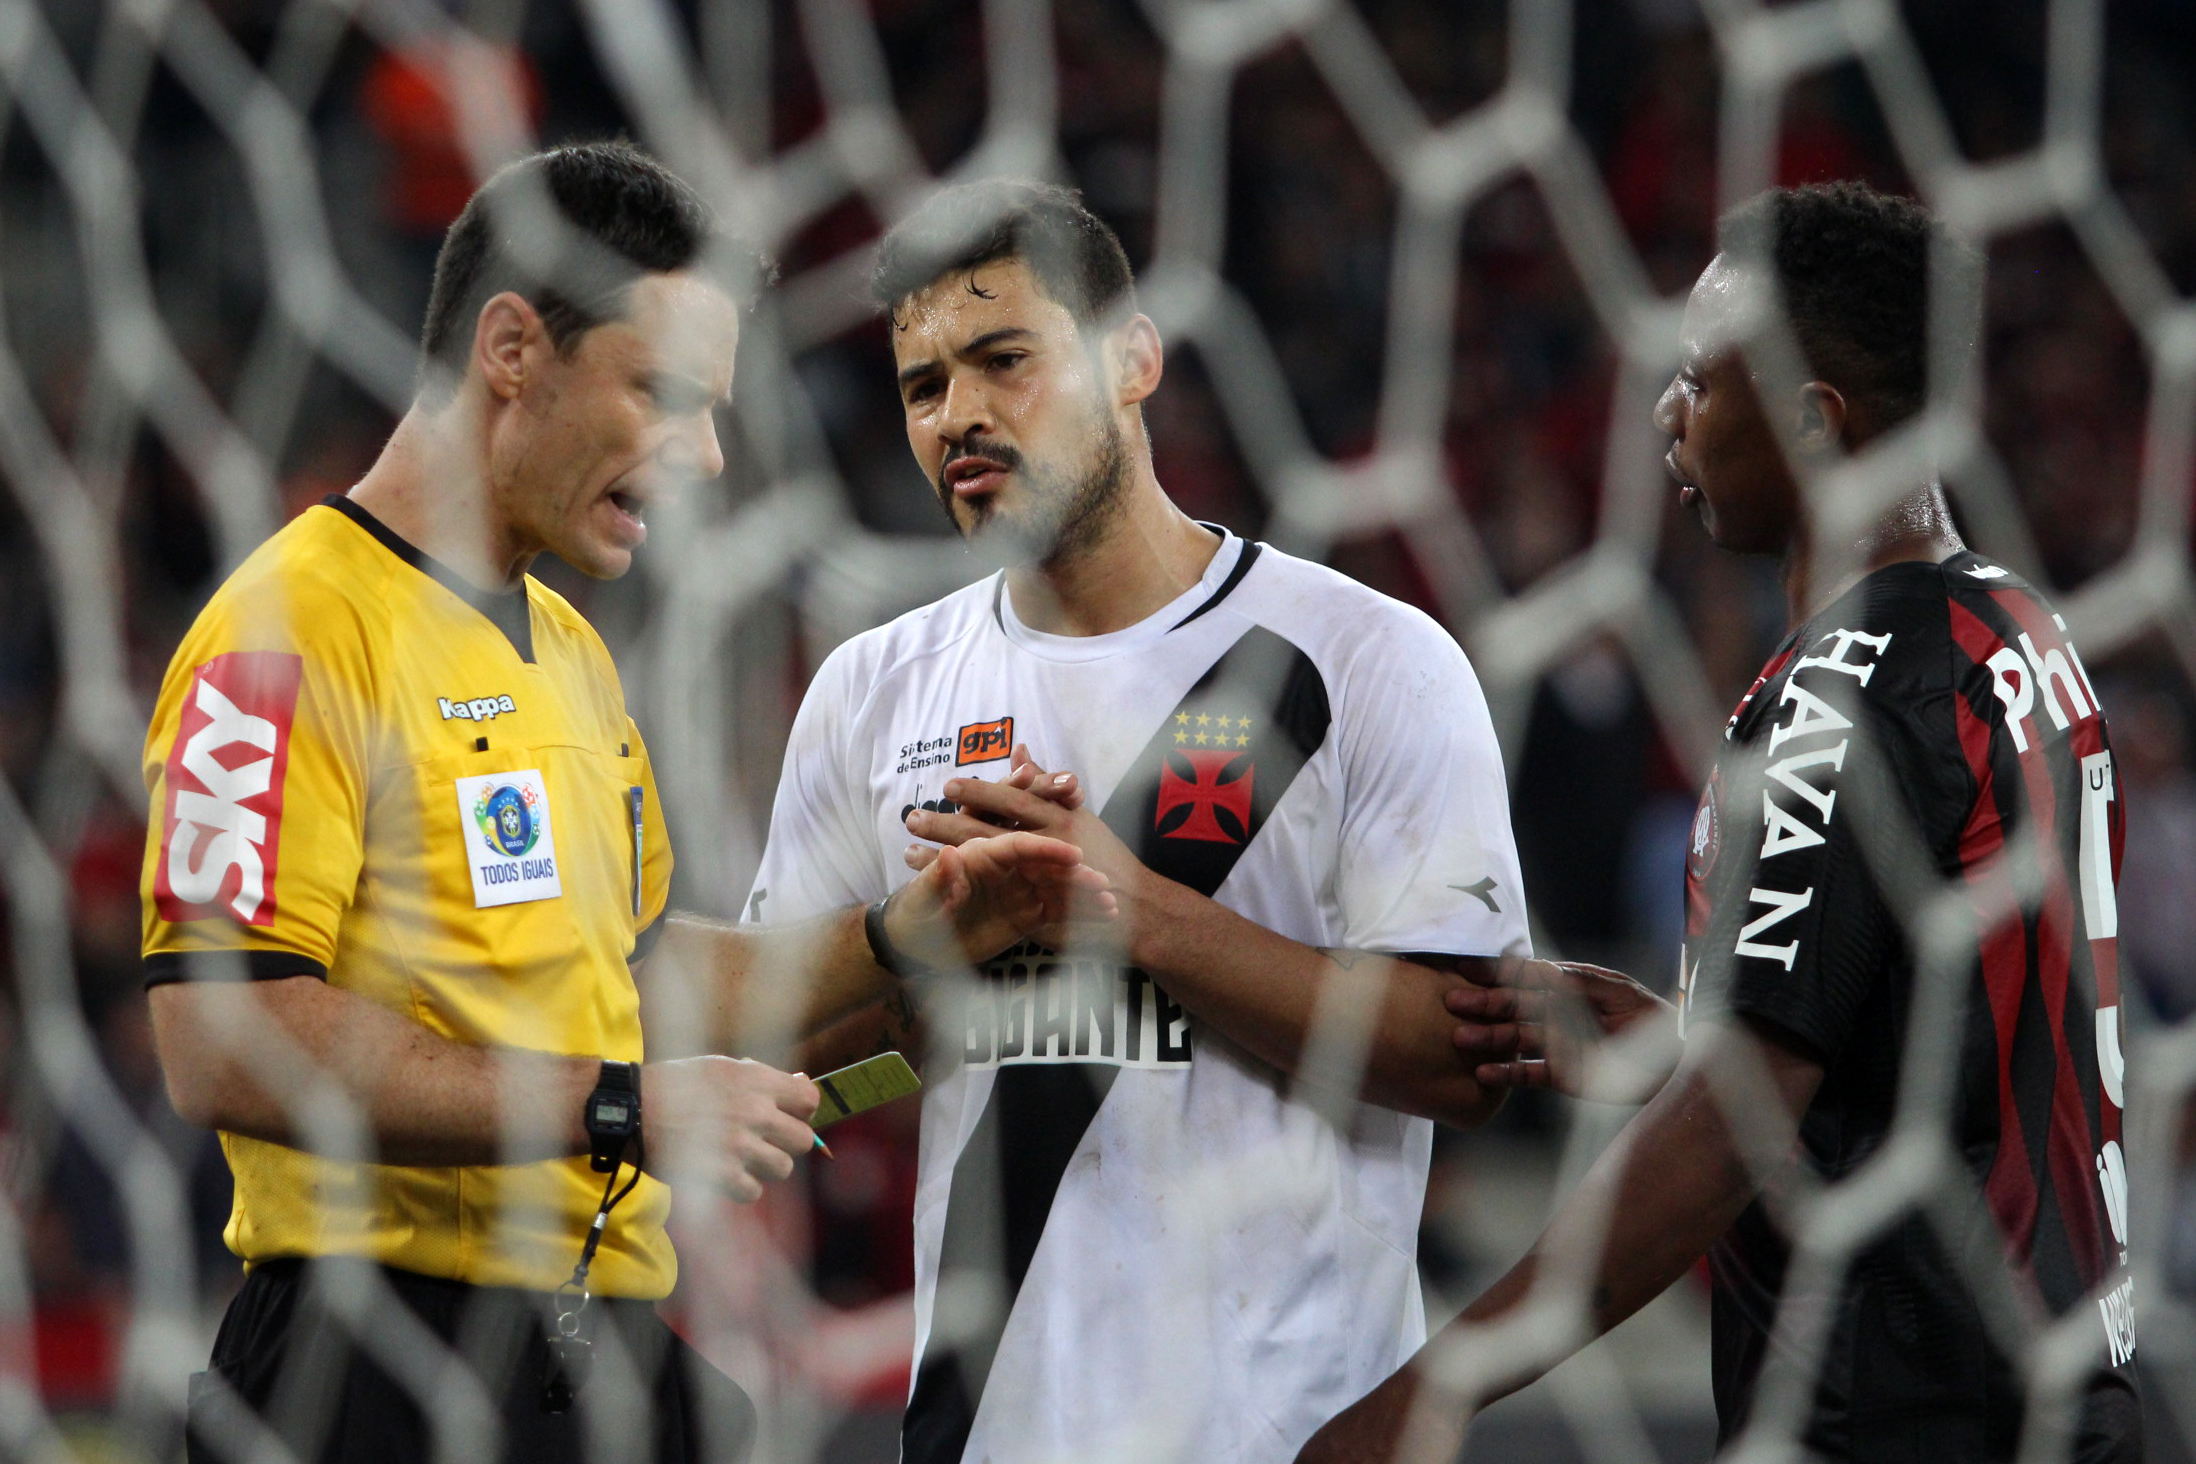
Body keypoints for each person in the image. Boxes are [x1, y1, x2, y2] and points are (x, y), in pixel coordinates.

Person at [141, 142, 1105, 1464]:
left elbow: (636, 981)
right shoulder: (284, 634)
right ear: (512, 348)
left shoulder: (572, 652)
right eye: (661, 393)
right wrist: (615, 1108)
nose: (703, 457)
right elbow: (217, 1028)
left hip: (594, 1348)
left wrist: (908, 934)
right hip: (376, 1362)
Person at [1297, 182, 2139, 1462]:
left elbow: (1724, 1140)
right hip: (2062, 1390)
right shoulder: (2020, 631)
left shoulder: (1841, 701)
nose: (1666, 416)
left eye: (1698, 382)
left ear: (1811, 424)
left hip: (1903, 1416)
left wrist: (1431, 1394)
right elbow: (1936, 1024)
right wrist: (1694, 1044)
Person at [741, 178, 1531, 1464]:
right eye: (923, 386)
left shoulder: (1362, 659)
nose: (963, 417)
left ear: (1135, 359)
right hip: (994, 1430)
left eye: (1005, 360)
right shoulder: (869, 691)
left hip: (1289, 1432)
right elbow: (796, 1079)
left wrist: (1129, 914)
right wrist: (930, 963)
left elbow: (1463, 1064)